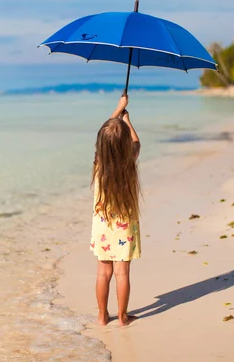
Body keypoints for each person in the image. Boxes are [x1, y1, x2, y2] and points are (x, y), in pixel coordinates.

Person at [90, 91, 141, 326]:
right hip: (123, 228)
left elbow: (103, 135)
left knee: (103, 273)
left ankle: (102, 316)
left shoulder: (98, 164)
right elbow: (136, 142)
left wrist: (118, 110)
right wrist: (127, 120)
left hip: (103, 227)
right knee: (122, 273)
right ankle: (122, 316)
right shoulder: (129, 162)